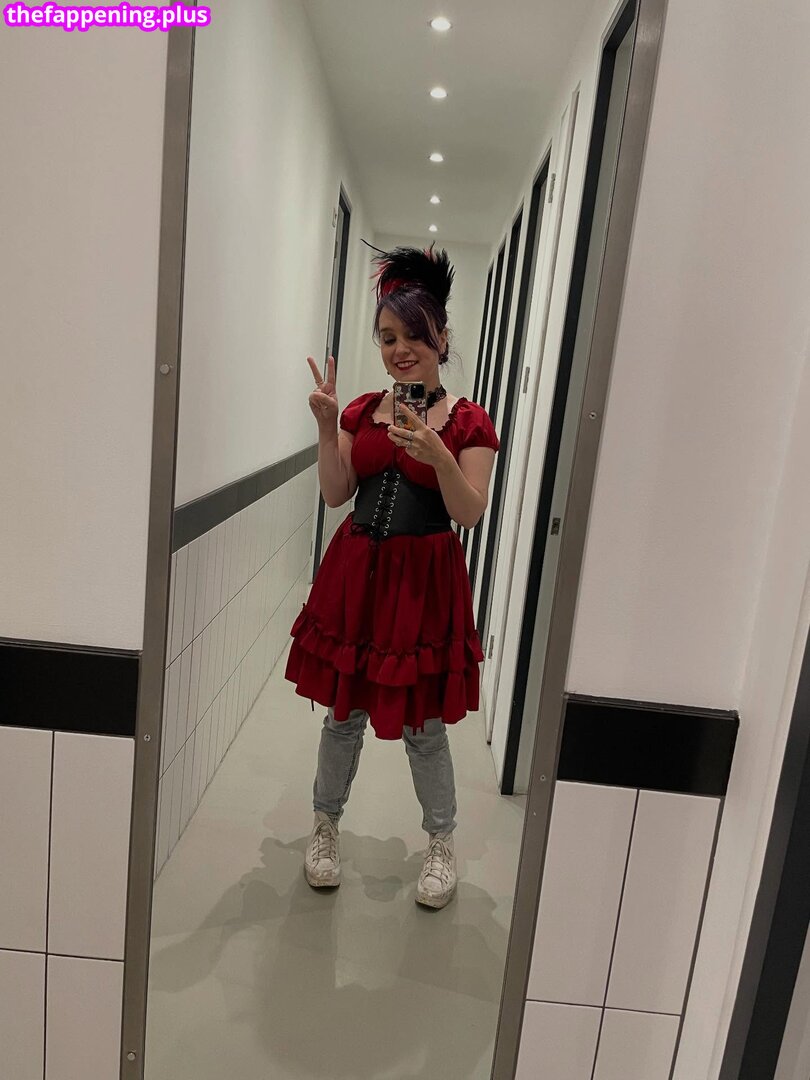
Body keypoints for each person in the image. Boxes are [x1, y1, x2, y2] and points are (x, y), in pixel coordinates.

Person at [285, 244, 499, 909]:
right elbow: (336, 493)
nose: (400, 349)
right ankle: (325, 828)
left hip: (424, 583)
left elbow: (470, 512)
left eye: (413, 335)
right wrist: (327, 429)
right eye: (387, 337)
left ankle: (441, 842)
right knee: (342, 714)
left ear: (442, 339)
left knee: (423, 726)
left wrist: (438, 455)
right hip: (357, 575)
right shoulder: (360, 410)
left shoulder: (469, 422)